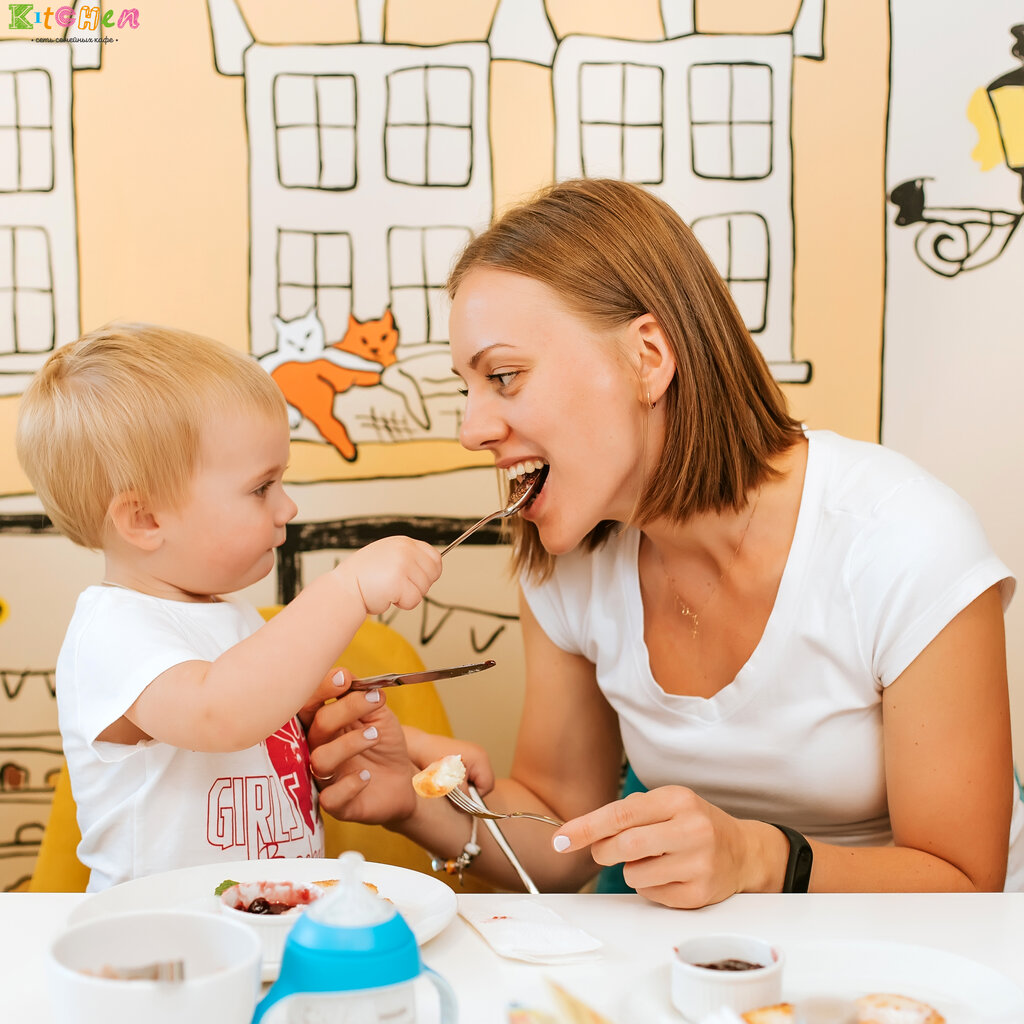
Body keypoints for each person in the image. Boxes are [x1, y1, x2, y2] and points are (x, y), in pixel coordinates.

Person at [307, 177, 1024, 907]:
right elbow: (563, 833)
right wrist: (411, 799)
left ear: (648, 357)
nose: (472, 430)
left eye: (505, 376)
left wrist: (758, 857)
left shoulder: (902, 538)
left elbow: (966, 884)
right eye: (469, 388)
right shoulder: (570, 564)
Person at [15, 323, 445, 891]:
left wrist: (378, 738)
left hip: (262, 918)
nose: (287, 507)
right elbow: (219, 712)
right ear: (145, 519)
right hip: (163, 933)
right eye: (261, 487)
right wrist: (348, 588)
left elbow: (251, 716)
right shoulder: (111, 630)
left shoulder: (231, 617)